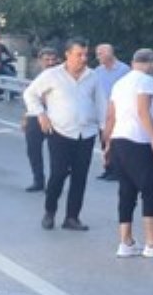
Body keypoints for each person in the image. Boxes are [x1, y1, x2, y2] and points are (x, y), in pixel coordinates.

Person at [104, 48, 153, 259]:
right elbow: (143, 111)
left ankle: (126, 241)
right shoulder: (145, 81)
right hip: (138, 141)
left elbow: (110, 115)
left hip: (119, 139)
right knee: (151, 191)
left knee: (126, 191)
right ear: (151, 63)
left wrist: (107, 143)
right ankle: (152, 242)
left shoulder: (119, 83)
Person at [23, 37, 100, 231]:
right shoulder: (52, 75)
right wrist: (40, 114)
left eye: (86, 54)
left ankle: (72, 217)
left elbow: (102, 104)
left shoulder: (92, 76)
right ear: (67, 55)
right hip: (60, 132)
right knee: (58, 174)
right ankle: (50, 212)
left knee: (80, 177)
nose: (83, 58)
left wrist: (106, 130)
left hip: (86, 133)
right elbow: (30, 94)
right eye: (79, 54)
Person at [22, 47, 61, 192]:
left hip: (56, 118)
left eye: (53, 59)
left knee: (57, 152)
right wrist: (25, 116)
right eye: (47, 60)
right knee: (33, 150)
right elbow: (31, 97)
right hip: (36, 117)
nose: (50, 62)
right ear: (40, 61)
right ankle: (38, 180)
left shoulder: (62, 76)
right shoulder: (38, 76)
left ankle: (55, 181)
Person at [92, 44, 131, 181]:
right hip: (103, 111)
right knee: (104, 139)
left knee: (116, 142)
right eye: (97, 54)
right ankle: (108, 168)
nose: (98, 57)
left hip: (118, 110)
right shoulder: (98, 71)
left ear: (110, 53)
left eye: (101, 53)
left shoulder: (124, 69)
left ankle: (118, 170)